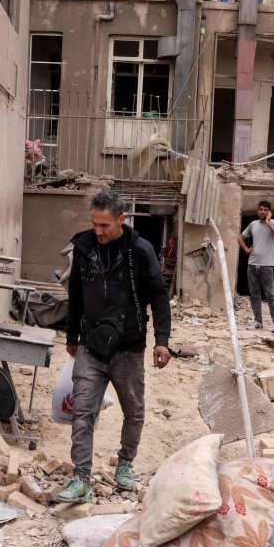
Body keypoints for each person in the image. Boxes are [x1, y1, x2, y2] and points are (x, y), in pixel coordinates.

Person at [57, 189, 172, 503]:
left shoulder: (140, 251)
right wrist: (71, 338)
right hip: (91, 347)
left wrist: (162, 341)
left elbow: (159, 297)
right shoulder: (83, 248)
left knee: (133, 411)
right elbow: (76, 296)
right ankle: (81, 478)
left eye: (104, 225)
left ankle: (125, 464)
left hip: (129, 348)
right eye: (94, 223)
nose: (98, 231)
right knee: (82, 412)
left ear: (122, 219)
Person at [238, 200, 274, 334]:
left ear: (269, 211)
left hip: (267, 265)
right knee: (255, 295)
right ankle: (258, 322)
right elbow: (240, 237)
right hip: (252, 264)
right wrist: (246, 249)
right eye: (261, 209)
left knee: (270, 294)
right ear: (257, 210)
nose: (262, 212)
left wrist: (269, 222)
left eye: (265, 210)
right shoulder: (253, 224)